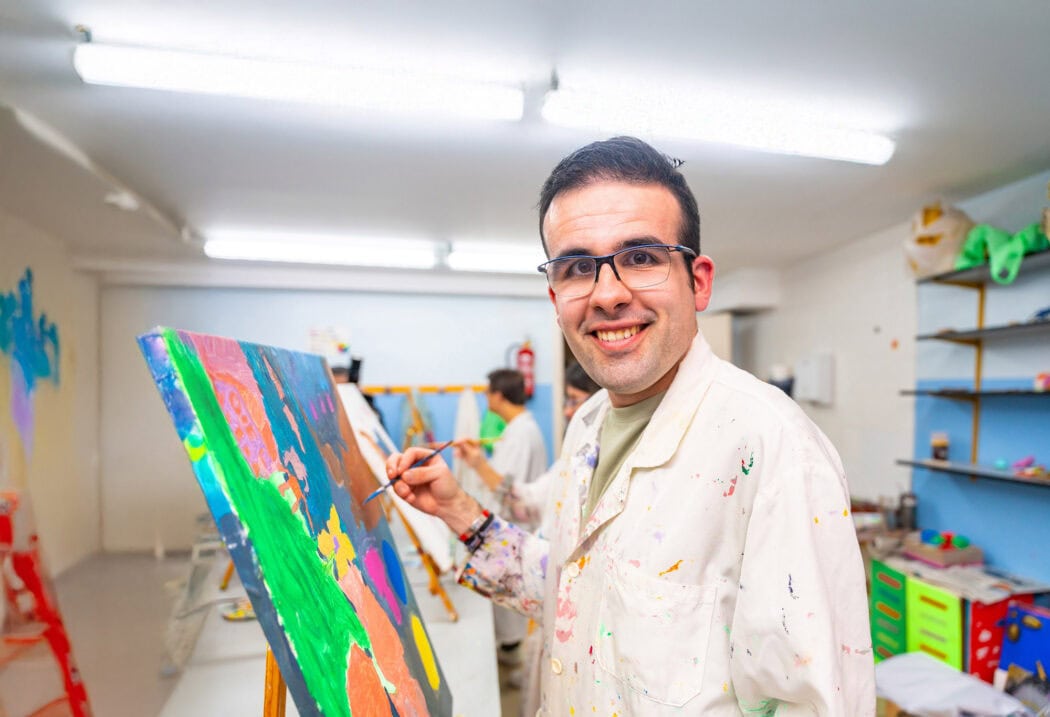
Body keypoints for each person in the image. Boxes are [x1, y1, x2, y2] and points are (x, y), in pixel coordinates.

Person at [386, 136, 875, 714]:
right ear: (555, 295)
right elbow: (576, 591)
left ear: (698, 281)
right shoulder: (588, 423)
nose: (607, 294)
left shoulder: (772, 448)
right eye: (577, 267)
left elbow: (817, 704)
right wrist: (459, 513)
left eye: (641, 257)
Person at [455, 368, 547, 656]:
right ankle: (511, 649)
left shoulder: (522, 432)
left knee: (512, 615)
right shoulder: (515, 430)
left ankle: (513, 652)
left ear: (498, 395)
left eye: (488, 393)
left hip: (517, 526)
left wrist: (479, 464)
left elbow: (508, 488)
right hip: (513, 523)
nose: (485, 399)